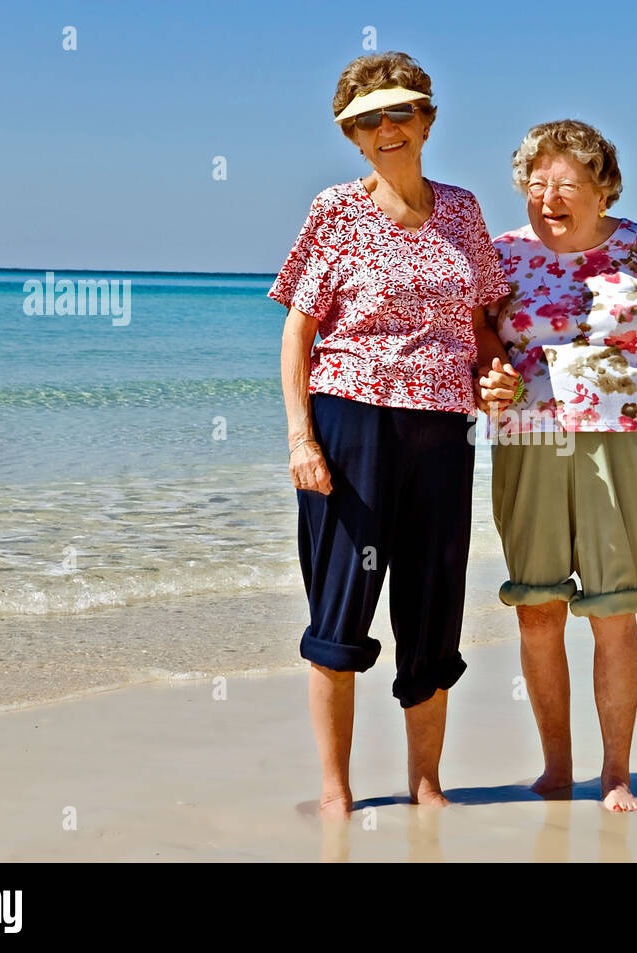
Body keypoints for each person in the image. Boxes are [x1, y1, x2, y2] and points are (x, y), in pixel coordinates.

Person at [268, 51, 515, 819]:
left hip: (443, 429)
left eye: (400, 112)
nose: (386, 129)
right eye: (368, 120)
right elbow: (297, 333)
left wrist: (497, 375)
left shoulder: (464, 211)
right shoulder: (335, 210)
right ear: (352, 137)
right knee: (340, 610)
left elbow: (481, 326)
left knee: (432, 605)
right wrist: (301, 440)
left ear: (428, 119)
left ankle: (427, 782)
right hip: (351, 421)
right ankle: (337, 789)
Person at [484, 119, 637, 812]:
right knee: (537, 607)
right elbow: (480, 343)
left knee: (612, 607)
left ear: (602, 189)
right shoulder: (500, 256)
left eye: (567, 183)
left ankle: (615, 773)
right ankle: (556, 766)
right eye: (536, 183)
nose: (549, 196)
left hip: (625, 439)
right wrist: (487, 374)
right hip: (528, 439)